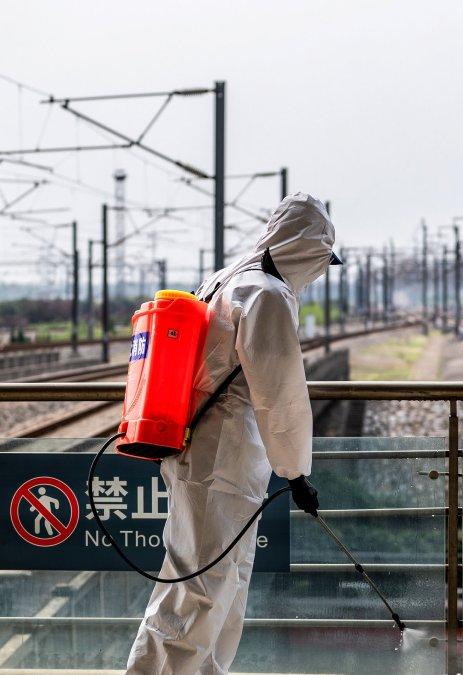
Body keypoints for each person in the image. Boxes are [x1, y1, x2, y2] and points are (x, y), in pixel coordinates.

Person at [127, 193, 341, 674]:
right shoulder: (267, 293)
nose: (323, 271)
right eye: (324, 260)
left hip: (201, 450)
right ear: (309, 249)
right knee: (199, 589)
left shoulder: (224, 280)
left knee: (219, 581)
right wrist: (296, 471)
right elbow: (279, 389)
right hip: (222, 458)